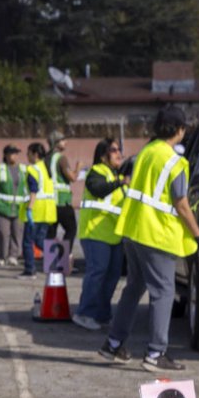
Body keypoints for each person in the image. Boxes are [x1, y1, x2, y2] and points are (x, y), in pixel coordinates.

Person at [99, 105, 199, 372]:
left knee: (134, 287)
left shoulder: (145, 152)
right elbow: (181, 204)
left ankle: (113, 344)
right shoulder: (174, 161)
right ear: (180, 131)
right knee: (163, 292)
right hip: (157, 235)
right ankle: (156, 353)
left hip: (133, 229)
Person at [72, 137, 127, 330]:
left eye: (119, 149)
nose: (119, 153)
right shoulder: (96, 172)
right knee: (97, 274)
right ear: (103, 156)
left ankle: (102, 315)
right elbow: (98, 190)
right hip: (95, 234)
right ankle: (84, 314)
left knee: (111, 277)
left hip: (113, 236)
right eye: (113, 150)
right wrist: (120, 183)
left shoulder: (114, 176)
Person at [20, 142, 57, 279]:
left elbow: (33, 191)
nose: (26, 155)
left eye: (28, 153)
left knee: (28, 242)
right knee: (41, 240)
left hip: (36, 210)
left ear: (35, 154)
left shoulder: (33, 170)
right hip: (47, 211)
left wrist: (29, 209)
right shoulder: (46, 169)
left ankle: (30, 270)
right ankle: (59, 258)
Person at [0, 144, 27, 267]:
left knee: (17, 232)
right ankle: (2, 256)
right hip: (3, 207)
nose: (15, 156)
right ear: (5, 155)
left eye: (16, 154)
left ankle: (13, 256)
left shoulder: (23, 169)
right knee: (3, 232)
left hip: (19, 208)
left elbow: (27, 188)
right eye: (12, 153)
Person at [46, 130, 78, 267]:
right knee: (71, 229)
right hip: (62, 201)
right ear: (56, 143)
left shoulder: (46, 158)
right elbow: (72, 177)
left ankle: (50, 263)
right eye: (63, 140)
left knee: (50, 232)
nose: (66, 142)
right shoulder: (61, 158)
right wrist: (78, 168)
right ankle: (62, 260)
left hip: (48, 201)